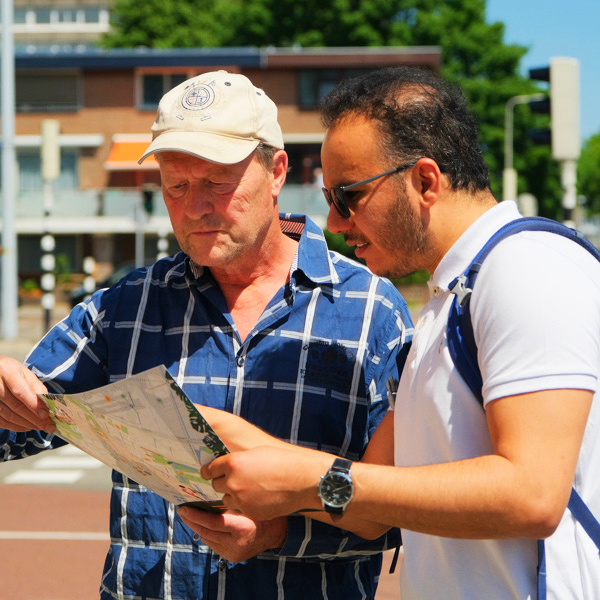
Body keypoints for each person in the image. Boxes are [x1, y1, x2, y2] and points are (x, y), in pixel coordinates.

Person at [0, 71, 414, 599]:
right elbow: (21, 427)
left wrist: (283, 532)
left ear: (277, 171)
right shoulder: (126, 307)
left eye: (218, 182)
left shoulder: (370, 313)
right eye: (176, 184)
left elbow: (413, 511)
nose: (195, 205)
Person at [199, 66, 600, 599]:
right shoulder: (449, 298)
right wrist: (222, 436)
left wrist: (307, 478)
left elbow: (532, 494)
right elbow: (367, 505)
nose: (335, 224)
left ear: (425, 181)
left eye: (348, 197)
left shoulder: (524, 267)